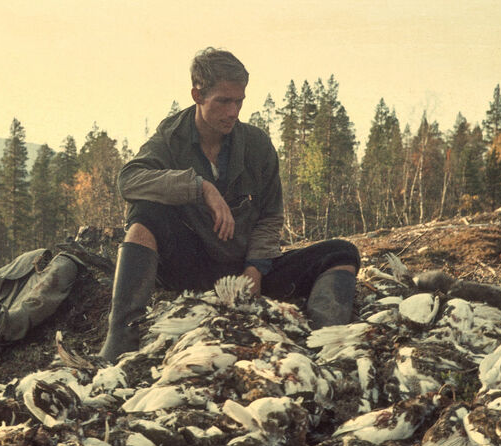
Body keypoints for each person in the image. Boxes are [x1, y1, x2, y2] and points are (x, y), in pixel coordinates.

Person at [100, 47, 360, 362]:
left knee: (342, 252)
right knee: (145, 212)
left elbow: (269, 217)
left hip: (242, 274)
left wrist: (255, 268)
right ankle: (120, 340)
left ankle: (323, 344)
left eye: (239, 101)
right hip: (189, 269)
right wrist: (200, 187)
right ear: (197, 95)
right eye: (223, 101)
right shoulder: (171, 137)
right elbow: (129, 180)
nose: (232, 112)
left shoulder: (257, 145)